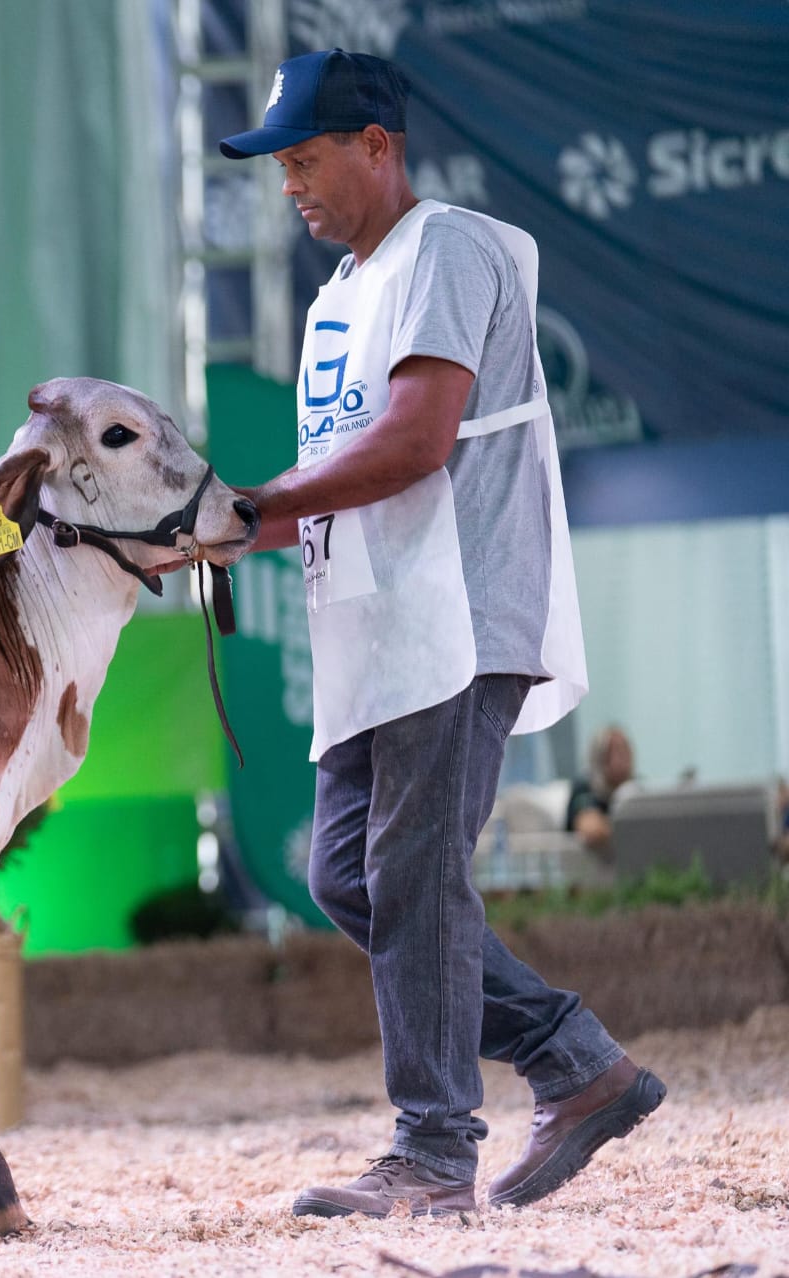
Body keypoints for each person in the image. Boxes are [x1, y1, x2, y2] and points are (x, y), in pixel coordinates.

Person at [219, 48, 665, 1217]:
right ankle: (576, 1063)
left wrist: (259, 511)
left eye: (306, 160)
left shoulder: (447, 250)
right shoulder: (339, 297)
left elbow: (417, 444)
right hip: (384, 621)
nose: (289, 187)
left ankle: (431, 1150)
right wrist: (238, 525)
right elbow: (342, 463)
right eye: (280, 167)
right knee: (346, 874)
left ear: (379, 146)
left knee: (408, 874)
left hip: (458, 607)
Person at [564, 725, 635, 855]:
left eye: (626, 750)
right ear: (601, 758)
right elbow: (591, 828)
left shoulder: (635, 790)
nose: (624, 758)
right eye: (616, 751)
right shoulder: (585, 788)